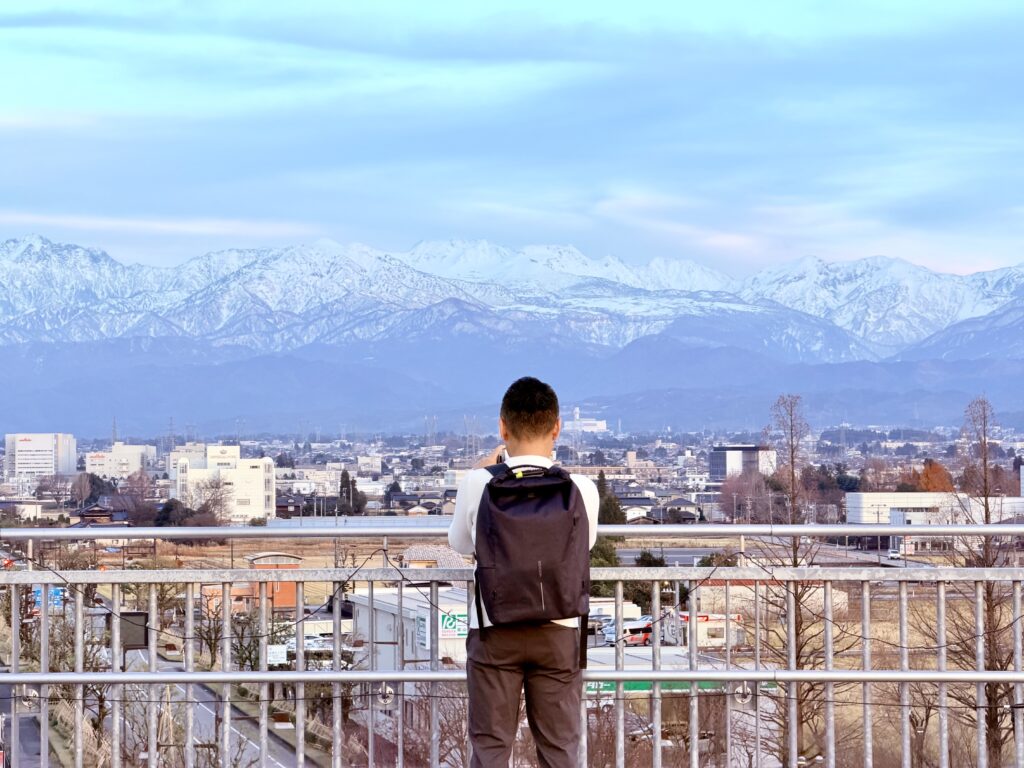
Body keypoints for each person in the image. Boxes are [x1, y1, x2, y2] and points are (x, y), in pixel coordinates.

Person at [449, 376, 600, 767]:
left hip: (493, 629)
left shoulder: (478, 484)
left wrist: (483, 471)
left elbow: (461, 544)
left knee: (491, 748)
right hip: (560, 629)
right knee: (560, 750)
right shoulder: (580, 489)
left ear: (502, 427)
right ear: (556, 427)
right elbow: (583, 546)